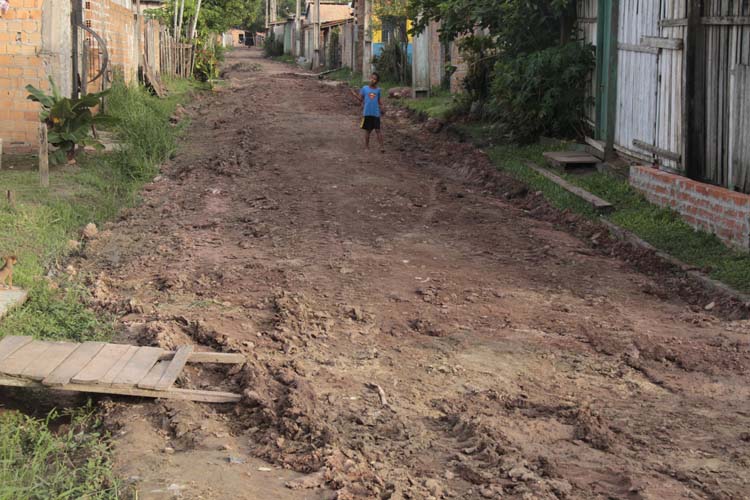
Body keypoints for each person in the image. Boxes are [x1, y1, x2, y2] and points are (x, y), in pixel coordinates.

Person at [351, 73, 384, 152]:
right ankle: (366, 147)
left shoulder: (378, 90)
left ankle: (382, 147)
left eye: (375, 79)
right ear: (370, 78)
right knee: (368, 131)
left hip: (376, 113)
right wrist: (354, 94)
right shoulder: (365, 88)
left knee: (378, 130)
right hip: (367, 113)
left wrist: (382, 107)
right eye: (372, 78)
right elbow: (361, 99)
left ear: (377, 81)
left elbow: (379, 100)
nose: (372, 80)